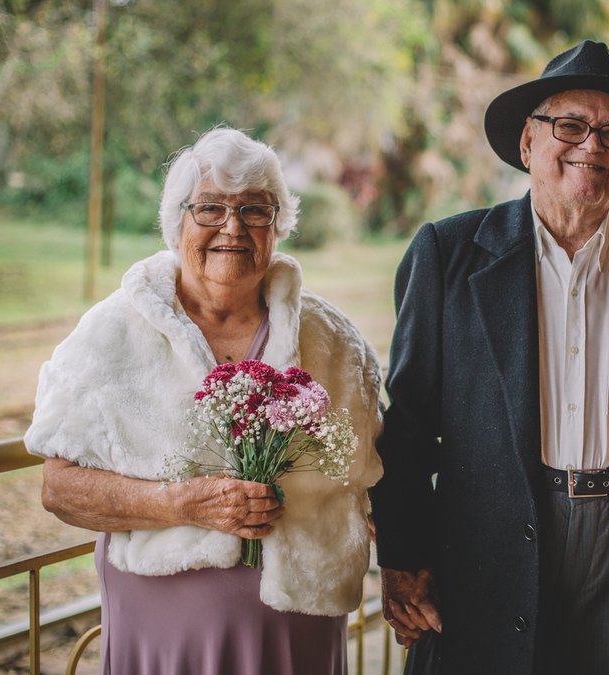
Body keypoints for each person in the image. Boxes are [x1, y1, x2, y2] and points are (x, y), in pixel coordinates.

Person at [369, 41, 609, 674]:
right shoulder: (448, 255)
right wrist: (400, 557)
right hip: (484, 539)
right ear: (529, 144)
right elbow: (410, 425)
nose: (592, 146)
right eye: (571, 126)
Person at [25, 127, 383, 674]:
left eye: (255, 211)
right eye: (210, 209)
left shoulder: (335, 340)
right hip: (167, 636)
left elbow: (375, 469)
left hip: (296, 637)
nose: (232, 228)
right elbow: (59, 488)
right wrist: (181, 504)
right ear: (177, 225)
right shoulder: (110, 334)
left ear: (278, 225)